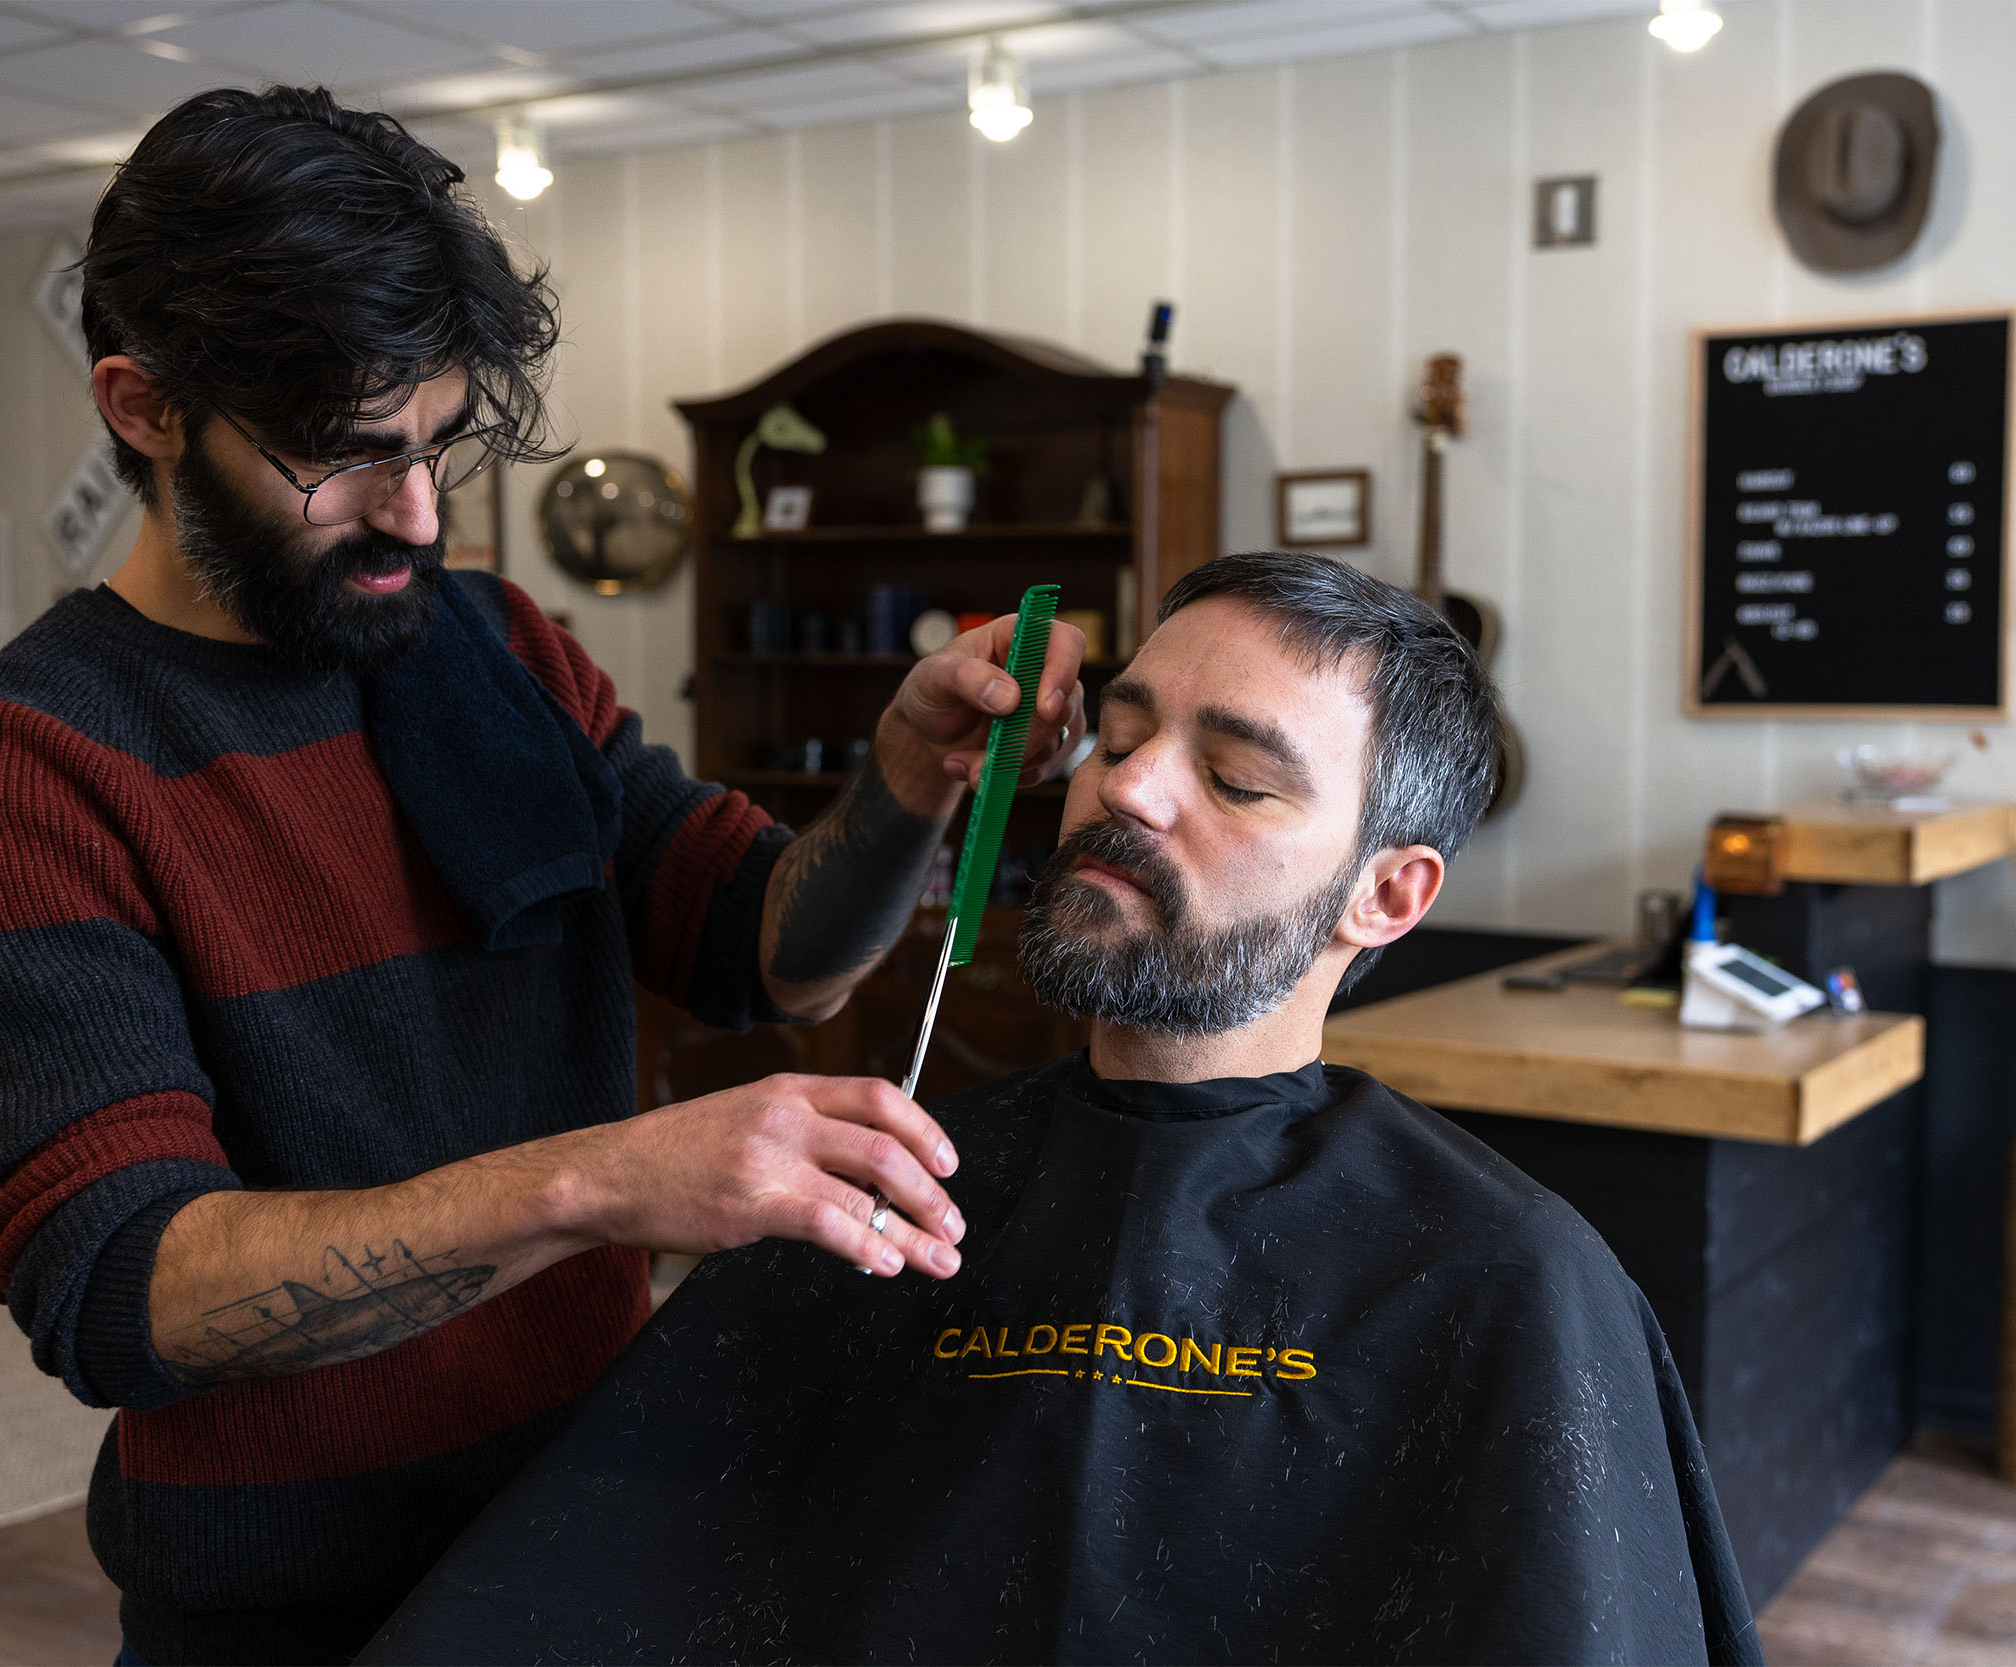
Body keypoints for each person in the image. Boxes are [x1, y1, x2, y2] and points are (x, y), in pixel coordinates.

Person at [0, 86, 1085, 1666]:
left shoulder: (490, 647)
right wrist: (606, 1180)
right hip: (298, 1616)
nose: (417, 515)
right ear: (142, 405)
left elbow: (764, 953)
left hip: (597, 1524)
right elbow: (122, 1285)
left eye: (442, 445)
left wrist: (908, 784)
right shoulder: (23, 767)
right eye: (347, 460)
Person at [364, 552, 1766, 1667]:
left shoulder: (1507, 1279)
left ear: (1388, 895)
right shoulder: (891, 1181)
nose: (1127, 787)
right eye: (1120, 730)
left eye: (1236, 778)